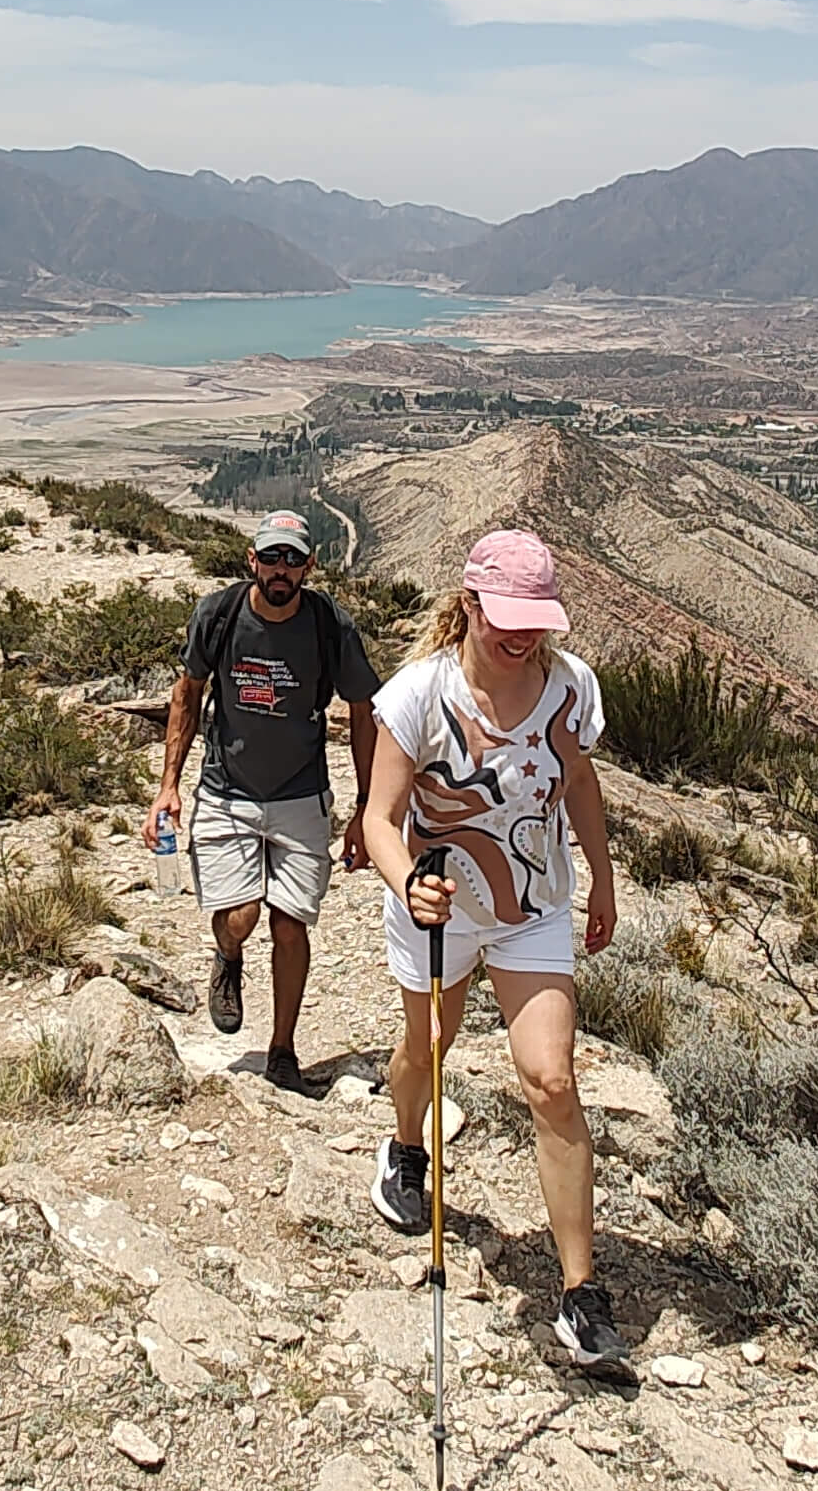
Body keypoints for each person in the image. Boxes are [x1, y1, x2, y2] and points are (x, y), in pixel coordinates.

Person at [358, 528, 626, 1369]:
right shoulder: (416, 695)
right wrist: (408, 881)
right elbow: (378, 816)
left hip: (532, 906)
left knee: (551, 1078)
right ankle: (407, 1147)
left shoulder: (570, 689)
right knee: (428, 1046)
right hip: (437, 904)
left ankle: (580, 1291)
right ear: (469, 604)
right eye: (505, 617)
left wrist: (604, 879)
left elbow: (577, 779)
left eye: (534, 621)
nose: (521, 637)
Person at [143, 510, 381, 1095]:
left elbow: (363, 712)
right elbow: (188, 694)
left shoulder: (330, 626)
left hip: (302, 793)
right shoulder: (219, 616)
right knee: (242, 914)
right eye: (271, 557)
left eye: (292, 559)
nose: (281, 569)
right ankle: (228, 957)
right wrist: (168, 784)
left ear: (309, 566)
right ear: (252, 560)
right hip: (229, 789)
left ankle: (283, 1050)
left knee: (292, 924)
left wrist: (367, 809)